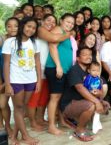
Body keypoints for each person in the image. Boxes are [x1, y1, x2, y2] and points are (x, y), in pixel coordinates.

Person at [27, 14, 71, 132]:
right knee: (35, 97)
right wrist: (68, 34)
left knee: (44, 97)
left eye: (53, 21)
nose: (51, 23)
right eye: (48, 20)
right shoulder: (41, 30)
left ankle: (40, 119)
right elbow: (54, 40)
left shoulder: (51, 32)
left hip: (45, 69)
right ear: (42, 21)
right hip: (35, 69)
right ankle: (32, 122)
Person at [3, 17, 41, 145]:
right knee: (19, 108)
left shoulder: (35, 43)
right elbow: (6, 64)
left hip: (31, 80)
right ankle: (25, 136)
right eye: (28, 26)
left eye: (34, 27)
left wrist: (39, 81)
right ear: (23, 25)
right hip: (16, 80)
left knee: (22, 108)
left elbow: (37, 62)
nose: (31, 29)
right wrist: (7, 84)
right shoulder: (10, 42)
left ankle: (14, 136)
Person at [60, 47, 105, 142]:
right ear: (78, 58)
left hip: (80, 101)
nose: (88, 57)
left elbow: (99, 88)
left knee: (103, 104)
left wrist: (98, 93)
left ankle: (79, 121)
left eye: (89, 55)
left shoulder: (89, 71)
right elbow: (80, 88)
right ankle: (79, 130)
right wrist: (96, 102)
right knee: (91, 105)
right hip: (69, 104)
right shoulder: (74, 70)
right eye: (84, 55)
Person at [45, 13, 75, 135]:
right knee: (55, 97)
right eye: (67, 22)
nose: (70, 25)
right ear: (61, 21)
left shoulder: (66, 34)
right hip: (55, 68)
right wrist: (58, 65)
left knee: (60, 97)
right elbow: (52, 46)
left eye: (72, 23)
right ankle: (51, 126)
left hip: (63, 70)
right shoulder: (58, 30)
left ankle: (61, 120)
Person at [0, 17, 19, 138]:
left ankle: (9, 126)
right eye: (9, 26)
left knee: (6, 105)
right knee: (1, 104)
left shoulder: (23, 40)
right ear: (6, 27)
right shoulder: (2, 39)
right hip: (2, 76)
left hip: (16, 78)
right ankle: (4, 126)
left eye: (16, 26)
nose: (12, 28)